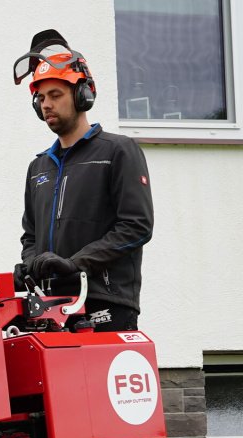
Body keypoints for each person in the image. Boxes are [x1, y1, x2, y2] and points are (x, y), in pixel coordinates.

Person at [13, 29, 153, 331]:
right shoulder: (38, 167)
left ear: (82, 95)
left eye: (55, 95)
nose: (46, 104)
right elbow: (30, 236)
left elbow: (136, 226)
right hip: (50, 307)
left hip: (105, 303)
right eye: (41, 98)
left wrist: (77, 264)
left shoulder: (118, 151)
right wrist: (31, 265)